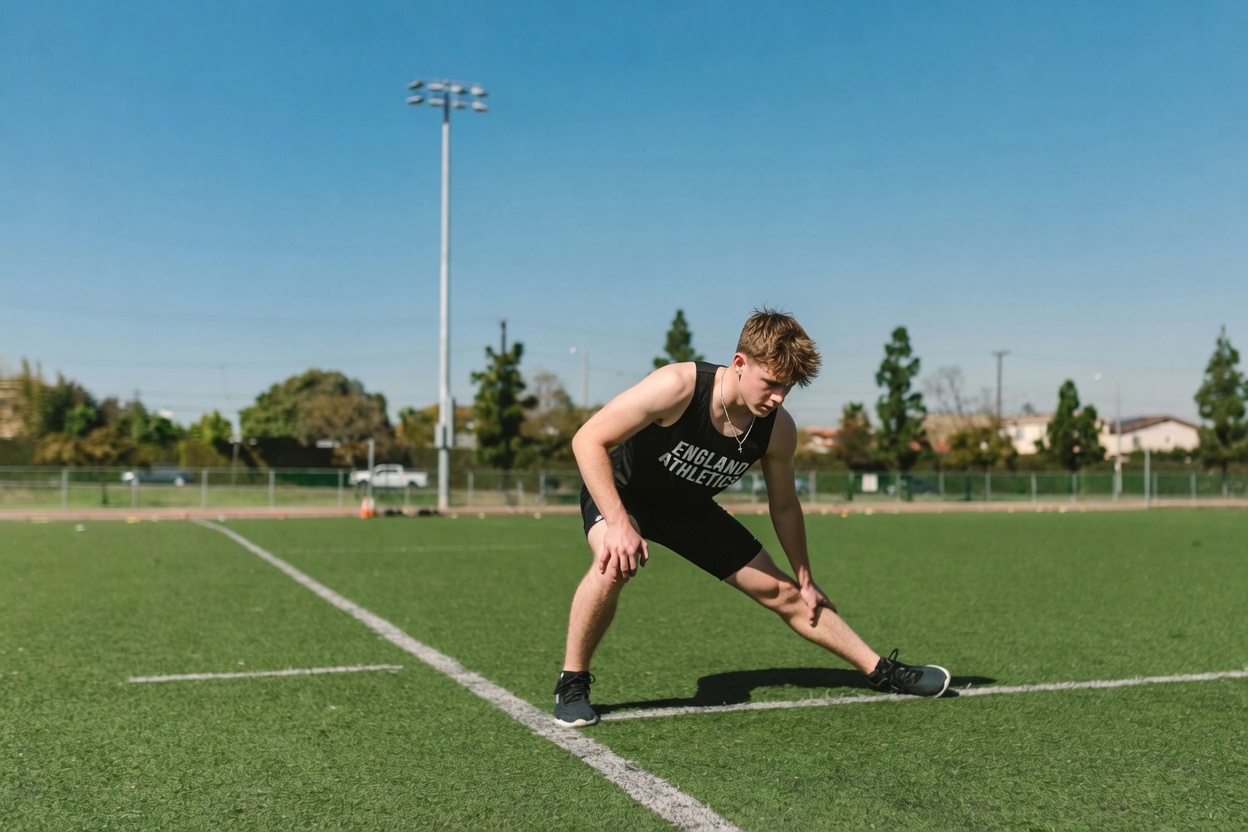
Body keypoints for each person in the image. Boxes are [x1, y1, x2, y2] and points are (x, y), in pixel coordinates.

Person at [553, 308, 949, 728]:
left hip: (689, 510)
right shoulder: (679, 386)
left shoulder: (777, 430)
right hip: (623, 494)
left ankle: (882, 671)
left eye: (789, 388)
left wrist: (806, 576)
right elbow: (588, 439)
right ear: (740, 364)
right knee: (614, 565)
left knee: (789, 595)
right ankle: (572, 682)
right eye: (772, 383)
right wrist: (617, 522)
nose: (779, 397)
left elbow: (784, 505)